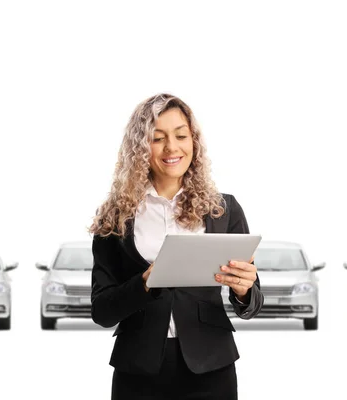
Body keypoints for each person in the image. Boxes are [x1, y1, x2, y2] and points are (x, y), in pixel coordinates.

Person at [88, 93, 264, 399]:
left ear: (193, 142)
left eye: (181, 135)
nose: (172, 147)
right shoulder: (115, 216)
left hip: (211, 365)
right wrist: (143, 283)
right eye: (158, 138)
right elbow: (102, 311)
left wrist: (244, 290)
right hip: (138, 369)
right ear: (141, 147)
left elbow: (253, 305)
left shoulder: (224, 210)